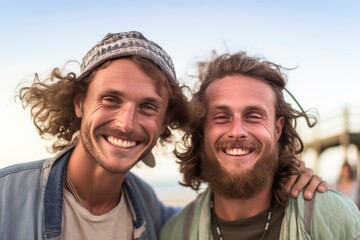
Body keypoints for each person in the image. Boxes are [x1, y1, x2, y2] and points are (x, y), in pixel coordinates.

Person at [0, 31, 326, 240]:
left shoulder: (153, 212)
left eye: (147, 107)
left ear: (166, 120)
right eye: (111, 99)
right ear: (79, 102)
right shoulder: (7, 198)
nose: (127, 123)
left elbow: (220, 208)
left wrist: (283, 170)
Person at [160, 52, 360, 239]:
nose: (237, 131)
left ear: (277, 129)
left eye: (254, 116)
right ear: (202, 132)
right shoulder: (174, 232)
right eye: (221, 117)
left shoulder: (335, 218)